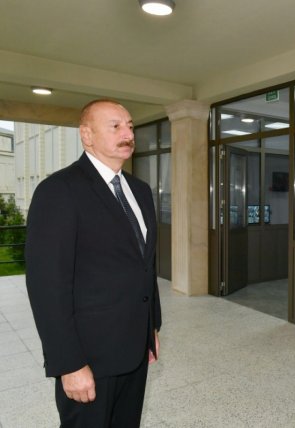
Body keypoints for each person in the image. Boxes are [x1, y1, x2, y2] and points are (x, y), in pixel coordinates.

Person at [25, 99, 162, 427]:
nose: (128, 133)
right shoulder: (59, 190)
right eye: (115, 126)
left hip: (134, 348)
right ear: (86, 135)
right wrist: (68, 364)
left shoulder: (140, 191)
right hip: (89, 356)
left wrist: (151, 328)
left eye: (130, 126)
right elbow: (47, 287)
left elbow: (146, 265)